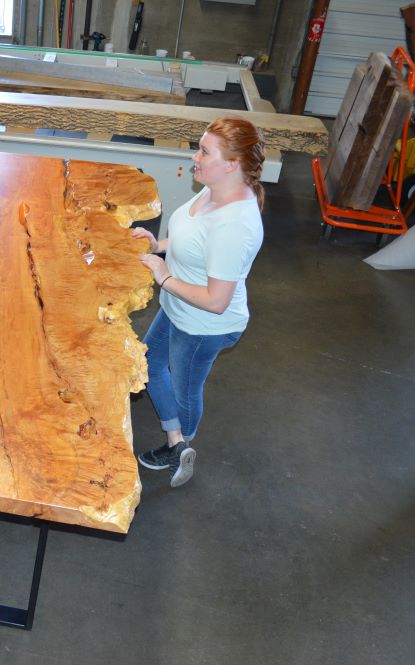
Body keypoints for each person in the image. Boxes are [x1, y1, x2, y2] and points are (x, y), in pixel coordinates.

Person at [132, 117, 265, 488]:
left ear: (232, 164)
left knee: (184, 389)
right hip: (178, 307)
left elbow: (217, 301)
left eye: (204, 151)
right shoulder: (214, 189)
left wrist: (164, 277)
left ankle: (181, 443)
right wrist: (158, 245)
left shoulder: (235, 224)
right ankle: (176, 437)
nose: (196, 157)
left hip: (204, 327)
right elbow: (191, 239)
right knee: (147, 363)